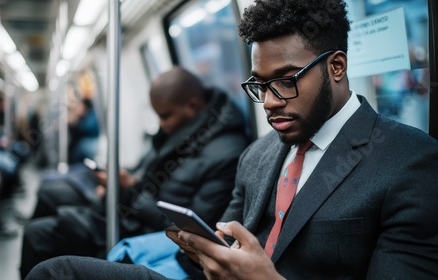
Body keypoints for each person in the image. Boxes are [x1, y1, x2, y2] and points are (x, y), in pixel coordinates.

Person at [25, 0, 438, 279]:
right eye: (260, 85)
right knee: (57, 272)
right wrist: (199, 248)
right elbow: (223, 237)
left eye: (286, 82)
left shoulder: (409, 162)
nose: (270, 102)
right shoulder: (259, 154)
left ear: (336, 66)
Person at [20, 66, 250, 278]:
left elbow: (192, 228)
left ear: (192, 106)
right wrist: (121, 181)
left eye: (165, 115)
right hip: (131, 215)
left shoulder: (226, 155)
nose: (161, 124)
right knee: (48, 206)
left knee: (38, 236)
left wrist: (129, 188)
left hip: (151, 234)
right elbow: (146, 174)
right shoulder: (180, 134)